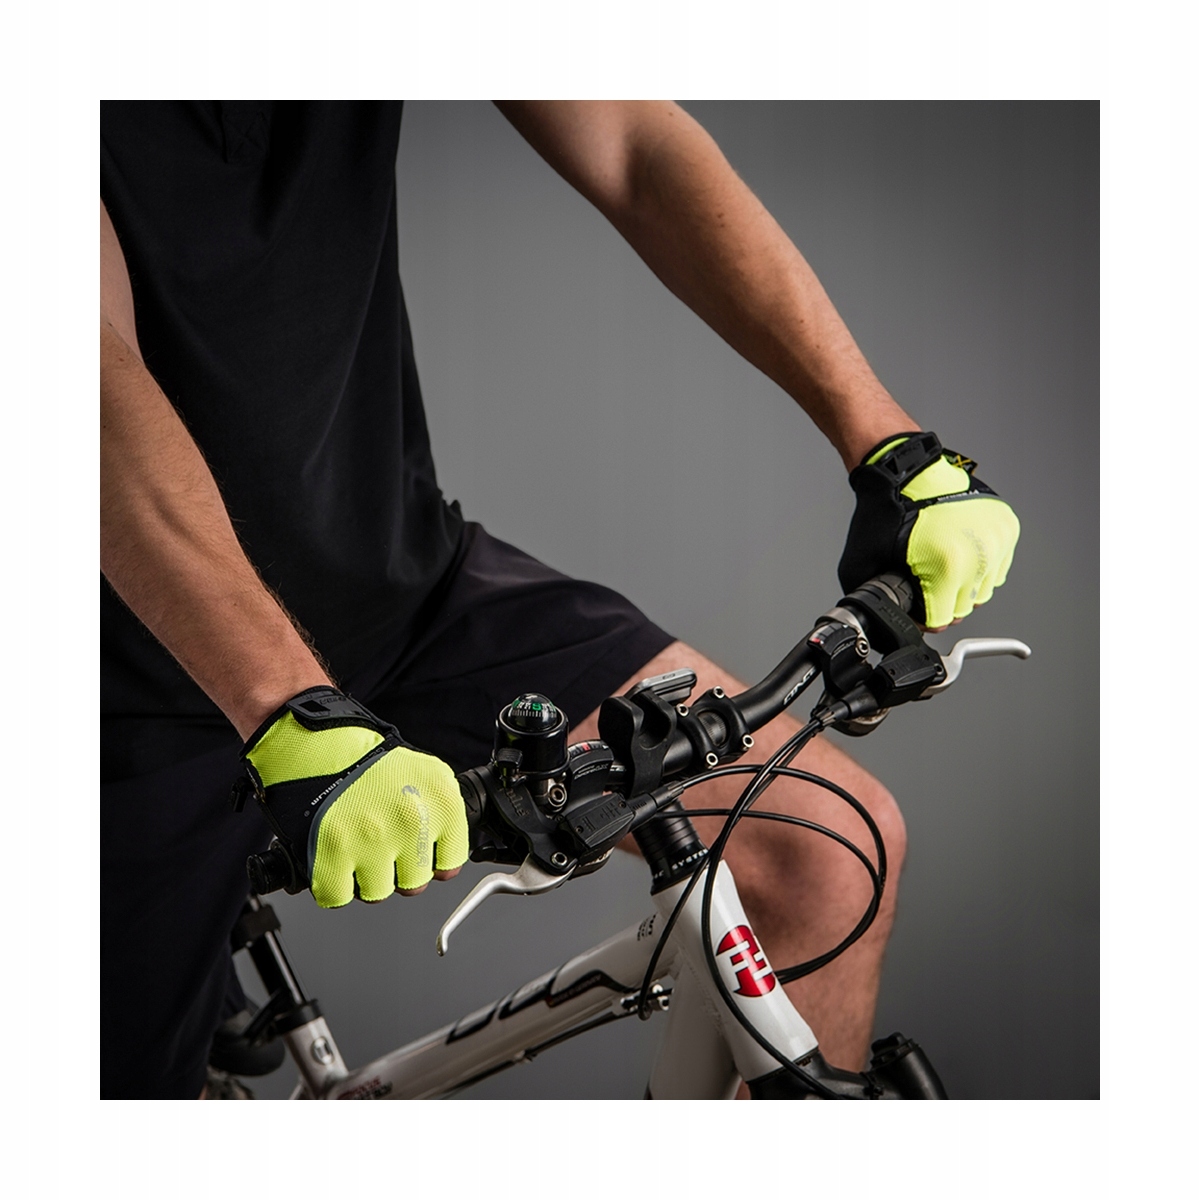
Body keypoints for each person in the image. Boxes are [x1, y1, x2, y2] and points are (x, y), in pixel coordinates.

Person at [100, 101, 1019, 1099]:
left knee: (827, 855)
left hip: (407, 592)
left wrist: (891, 448)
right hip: (123, 685)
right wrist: (292, 707)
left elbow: (629, 139)